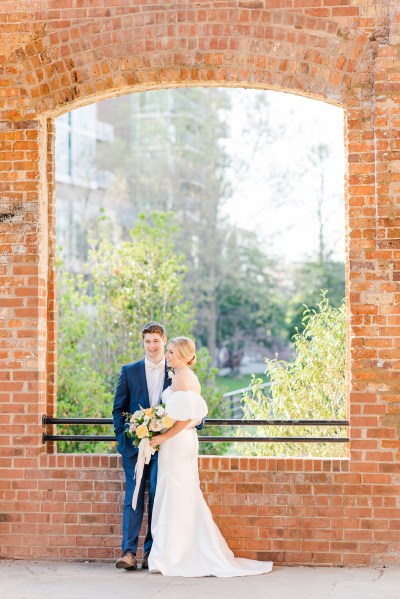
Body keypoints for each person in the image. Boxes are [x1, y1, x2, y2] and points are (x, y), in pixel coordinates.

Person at [148, 336, 273, 577]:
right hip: (175, 442)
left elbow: (188, 419)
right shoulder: (180, 376)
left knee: (177, 490)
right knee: (175, 491)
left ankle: (175, 555)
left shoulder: (184, 378)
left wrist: (163, 436)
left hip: (177, 442)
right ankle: (171, 552)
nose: (167, 356)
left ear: (183, 356)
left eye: (171, 352)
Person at [112, 322, 171, 571]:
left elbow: (191, 405)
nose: (151, 346)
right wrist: (123, 439)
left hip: (166, 447)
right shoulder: (130, 371)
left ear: (164, 341)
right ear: (143, 343)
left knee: (158, 498)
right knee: (133, 498)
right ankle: (128, 553)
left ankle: (151, 553)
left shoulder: (175, 370)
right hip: (135, 447)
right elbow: (118, 408)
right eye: (147, 341)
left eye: (156, 341)